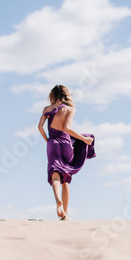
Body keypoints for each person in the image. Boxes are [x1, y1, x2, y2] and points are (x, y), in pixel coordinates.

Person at [38, 85, 96, 220]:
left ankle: (58, 201)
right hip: (66, 144)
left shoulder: (47, 109)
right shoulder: (70, 109)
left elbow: (40, 127)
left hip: (53, 143)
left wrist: (48, 140)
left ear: (53, 95)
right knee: (66, 180)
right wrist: (84, 139)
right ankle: (65, 214)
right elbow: (67, 128)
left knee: (55, 174)